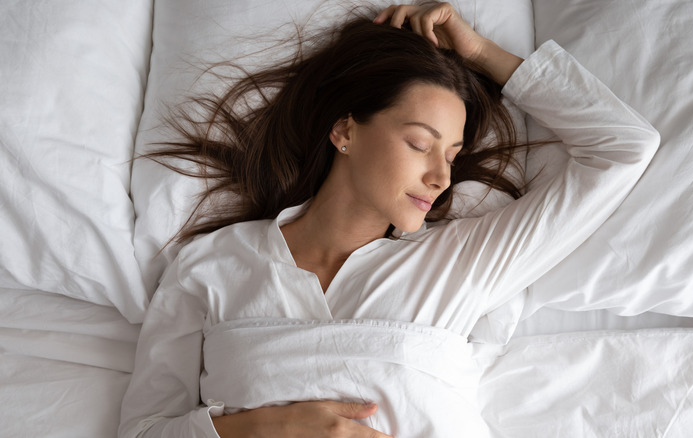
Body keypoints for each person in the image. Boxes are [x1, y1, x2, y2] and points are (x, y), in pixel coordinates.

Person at [119, 2, 660, 437]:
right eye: (421, 144)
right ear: (346, 132)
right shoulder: (212, 266)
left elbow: (624, 147)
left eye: (451, 154)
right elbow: (141, 431)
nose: (441, 177)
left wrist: (481, 52)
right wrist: (262, 428)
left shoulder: (460, 262)